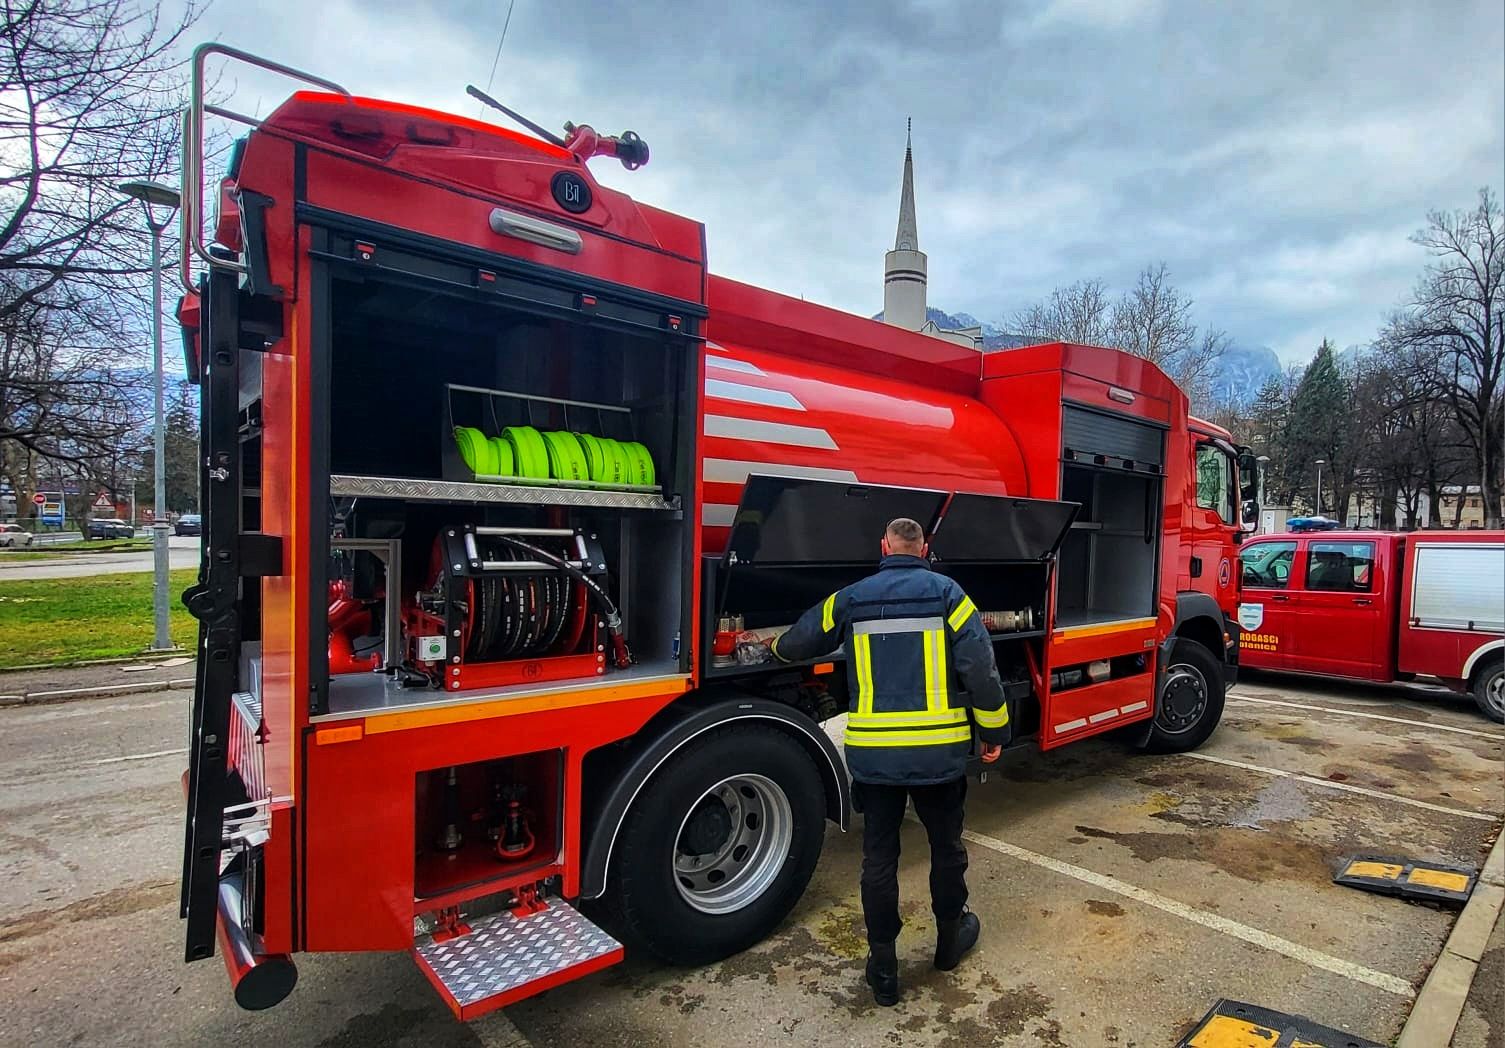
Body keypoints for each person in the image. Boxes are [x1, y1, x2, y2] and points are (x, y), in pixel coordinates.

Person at [771, 517, 1010, 1007]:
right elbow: (981, 668)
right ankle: (949, 944)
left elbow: (798, 642)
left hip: (876, 757)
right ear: (924, 548)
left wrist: (772, 647)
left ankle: (883, 968)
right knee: (946, 849)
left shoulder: (851, 597)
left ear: (884, 546)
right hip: (938, 754)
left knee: (879, 859)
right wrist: (994, 731)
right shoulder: (950, 595)